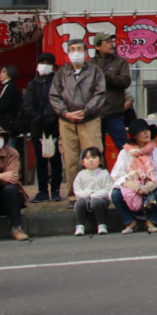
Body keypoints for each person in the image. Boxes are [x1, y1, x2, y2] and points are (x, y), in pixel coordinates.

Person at [50, 39, 106, 200]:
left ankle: (97, 194)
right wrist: (65, 113)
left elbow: (100, 93)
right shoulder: (61, 73)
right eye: (72, 49)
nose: (76, 52)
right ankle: (74, 195)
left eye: (79, 49)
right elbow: (54, 96)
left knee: (93, 157)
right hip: (67, 121)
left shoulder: (95, 71)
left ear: (85, 52)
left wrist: (86, 110)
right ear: (68, 53)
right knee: (70, 159)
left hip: (90, 119)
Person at [110, 118, 157, 233]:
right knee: (115, 194)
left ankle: (152, 219)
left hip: (151, 187)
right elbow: (117, 175)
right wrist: (134, 186)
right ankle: (130, 221)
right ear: (134, 136)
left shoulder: (156, 151)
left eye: (147, 130)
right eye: (142, 131)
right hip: (132, 188)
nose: (146, 133)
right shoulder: (125, 153)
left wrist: (148, 186)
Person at [23, 53, 64, 202]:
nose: (44, 65)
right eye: (42, 62)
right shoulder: (32, 85)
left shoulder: (58, 82)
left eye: (48, 63)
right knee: (40, 161)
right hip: (37, 128)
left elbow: (61, 102)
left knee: (56, 160)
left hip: (55, 126)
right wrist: (39, 119)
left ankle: (56, 190)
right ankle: (42, 191)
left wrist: (53, 118)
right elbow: (27, 106)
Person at [92, 32, 132, 151]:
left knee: (125, 147)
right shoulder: (90, 64)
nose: (111, 44)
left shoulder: (120, 62)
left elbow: (125, 81)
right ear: (97, 47)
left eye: (112, 42)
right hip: (95, 114)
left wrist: (106, 77)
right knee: (97, 149)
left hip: (114, 113)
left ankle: (130, 169)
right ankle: (101, 170)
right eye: (107, 42)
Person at [72, 146, 112, 236]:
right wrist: (87, 195)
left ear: (100, 160)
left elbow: (108, 188)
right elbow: (77, 189)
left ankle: (101, 224)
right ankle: (80, 225)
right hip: (85, 198)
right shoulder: (81, 174)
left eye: (94, 157)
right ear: (83, 162)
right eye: (87, 158)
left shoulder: (104, 173)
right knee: (80, 203)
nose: (91, 160)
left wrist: (96, 195)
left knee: (96, 202)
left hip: (101, 199)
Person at [0, 64, 24, 150]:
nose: (0, 74)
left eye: (3, 72)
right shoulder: (5, 87)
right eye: (0, 72)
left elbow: (3, 105)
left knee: (9, 149)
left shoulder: (10, 87)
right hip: (5, 126)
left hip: (8, 126)